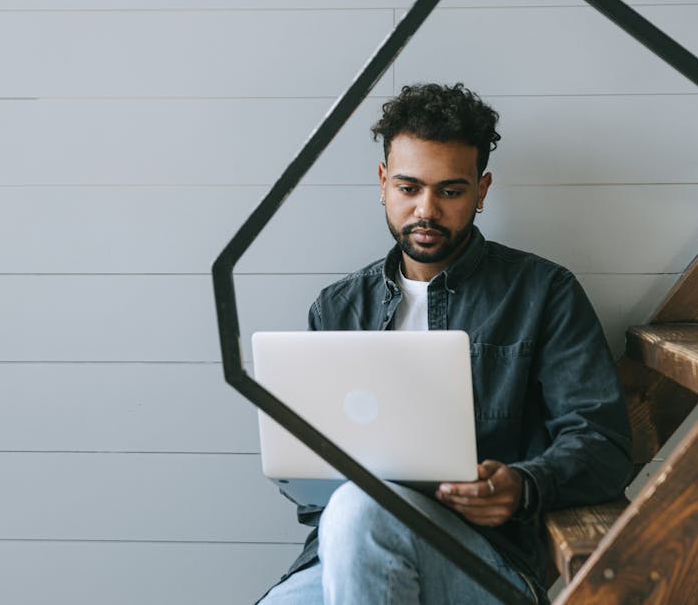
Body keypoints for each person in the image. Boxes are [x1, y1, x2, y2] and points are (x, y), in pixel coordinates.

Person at [256, 83, 633, 604]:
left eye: (450, 191)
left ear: (482, 190)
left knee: (359, 510)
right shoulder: (337, 308)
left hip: (484, 560)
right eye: (409, 188)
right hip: (338, 555)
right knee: (347, 519)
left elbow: (604, 443)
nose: (426, 210)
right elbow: (311, 487)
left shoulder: (543, 293)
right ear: (384, 183)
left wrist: (522, 486)